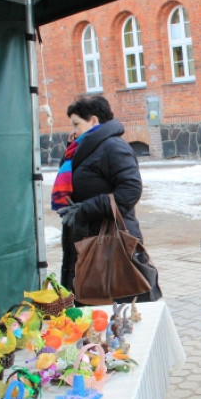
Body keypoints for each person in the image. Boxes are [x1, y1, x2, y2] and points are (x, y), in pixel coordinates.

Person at [50, 94, 161, 303]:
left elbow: (130, 190)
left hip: (109, 243)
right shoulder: (83, 148)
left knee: (112, 304)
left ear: (93, 120)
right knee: (89, 305)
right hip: (86, 240)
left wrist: (85, 209)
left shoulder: (113, 147)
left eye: (76, 124)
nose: (73, 130)